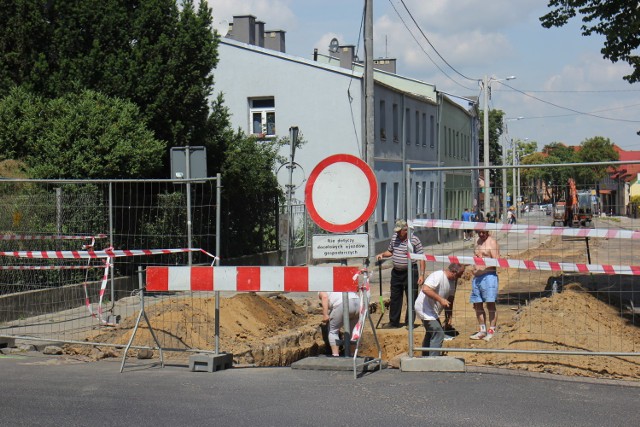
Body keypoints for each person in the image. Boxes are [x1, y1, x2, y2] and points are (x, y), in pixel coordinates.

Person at [376, 219, 427, 328]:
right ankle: (394, 322)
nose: (398, 233)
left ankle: (409, 322)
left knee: (411, 297)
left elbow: (422, 258)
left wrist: (422, 275)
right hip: (396, 273)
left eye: (400, 231)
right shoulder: (395, 238)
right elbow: (390, 251)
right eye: (397, 231)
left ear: (406, 230)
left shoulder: (414, 240)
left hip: (410, 271)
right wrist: (382, 254)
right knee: (395, 297)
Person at [415, 263, 465, 356]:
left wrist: (449, 315)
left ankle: (425, 356)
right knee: (438, 333)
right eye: (460, 274)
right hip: (424, 308)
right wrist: (440, 299)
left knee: (431, 333)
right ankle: (433, 359)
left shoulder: (453, 281)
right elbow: (425, 289)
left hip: (432, 310)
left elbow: (450, 299)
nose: (461, 276)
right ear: (454, 272)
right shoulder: (438, 275)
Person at [469, 229, 500, 341]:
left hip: (488, 277)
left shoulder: (492, 242)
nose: (481, 234)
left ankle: (491, 331)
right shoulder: (477, 241)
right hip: (477, 278)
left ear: (488, 231)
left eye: (483, 232)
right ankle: (482, 330)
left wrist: (483, 262)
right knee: (477, 305)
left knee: (490, 305)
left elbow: (496, 261)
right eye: (479, 232)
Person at [318, 291, 360, 357]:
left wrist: (325, 314)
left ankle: (335, 356)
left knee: (333, 330)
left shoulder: (321, 287)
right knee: (353, 331)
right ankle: (352, 355)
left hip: (343, 302)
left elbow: (324, 296)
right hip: (358, 302)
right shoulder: (338, 283)